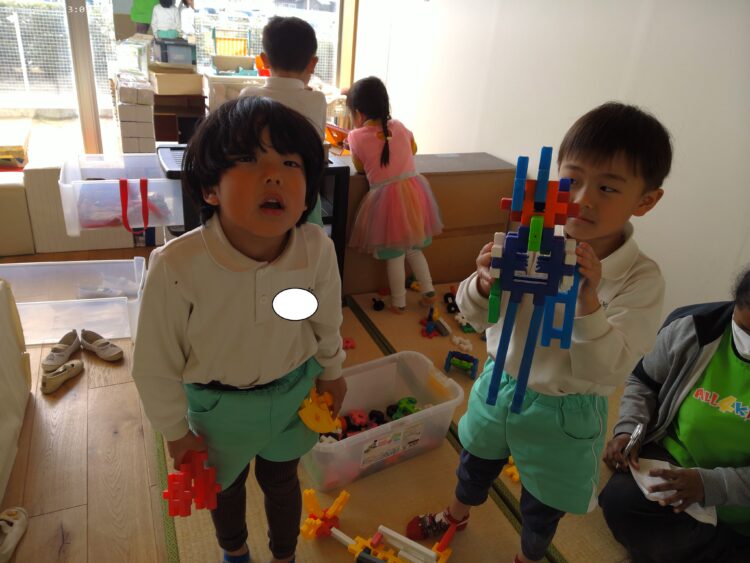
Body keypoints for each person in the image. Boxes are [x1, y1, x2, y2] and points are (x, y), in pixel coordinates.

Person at [406, 102, 672, 563]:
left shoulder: (640, 280)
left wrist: (588, 303)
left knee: (542, 506)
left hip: (565, 411)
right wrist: (483, 284)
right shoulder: (532, 239)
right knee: (473, 462)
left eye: (608, 187)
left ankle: (529, 556)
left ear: (645, 201)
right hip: (500, 383)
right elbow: (473, 316)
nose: (583, 199)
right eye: (572, 180)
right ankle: (457, 514)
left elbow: (608, 369)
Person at [131, 97, 347, 563]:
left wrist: (332, 370)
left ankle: (284, 555)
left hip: (292, 392)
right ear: (211, 188)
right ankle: (235, 552)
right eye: (249, 159)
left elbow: (326, 318)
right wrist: (175, 432)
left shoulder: (316, 249)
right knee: (224, 488)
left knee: (282, 480)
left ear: (308, 191)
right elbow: (153, 365)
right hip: (218, 408)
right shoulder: (177, 266)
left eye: (290, 163)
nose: (274, 175)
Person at [599, 266, 750, 563]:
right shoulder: (694, 328)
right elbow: (643, 382)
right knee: (619, 502)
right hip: (673, 468)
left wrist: (708, 485)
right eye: (744, 328)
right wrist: (629, 430)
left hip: (739, 504)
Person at [345, 76, 443, 313]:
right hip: (413, 194)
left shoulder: (356, 137)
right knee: (414, 249)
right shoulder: (399, 126)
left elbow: (359, 167)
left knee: (395, 256)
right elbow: (414, 149)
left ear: (358, 113)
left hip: (386, 201)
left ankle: (399, 302)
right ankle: (429, 291)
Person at [240, 16, 328, 228]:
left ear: (264, 60)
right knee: (307, 242)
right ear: (313, 63)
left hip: (257, 192)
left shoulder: (248, 96)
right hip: (303, 195)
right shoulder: (317, 100)